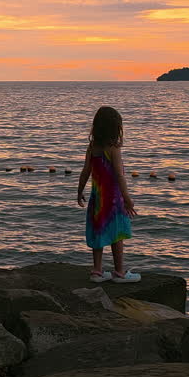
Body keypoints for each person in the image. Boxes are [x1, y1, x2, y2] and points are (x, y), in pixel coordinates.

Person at [77, 106, 140, 283]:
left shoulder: (93, 147)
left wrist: (80, 190)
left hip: (97, 199)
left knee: (98, 231)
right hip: (113, 200)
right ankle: (119, 272)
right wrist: (127, 199)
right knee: (117, 233)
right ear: (115, 128)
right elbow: (119, 175)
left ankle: (97, 271)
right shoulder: (113, 149)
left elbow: (85, 171)